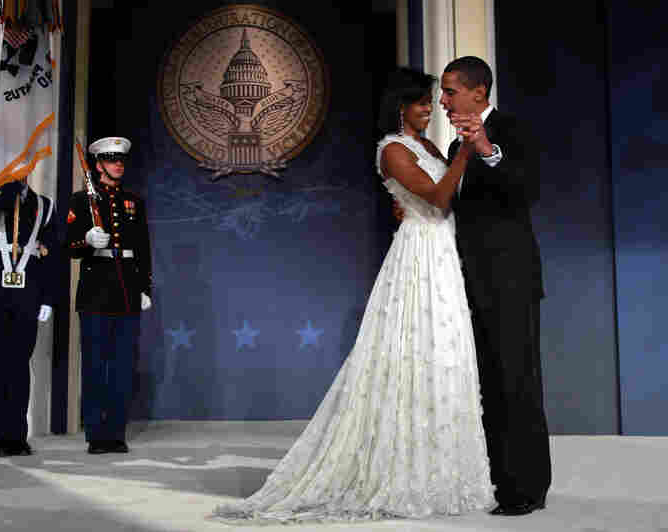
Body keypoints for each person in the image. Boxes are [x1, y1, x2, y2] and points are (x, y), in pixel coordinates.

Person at [212, 68, 494, 523]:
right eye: (422, 101)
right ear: (400, 106)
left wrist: (456, 160)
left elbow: (444, 199)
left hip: (443, 253)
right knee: (412, 353)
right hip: (418, 258)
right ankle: (396, 466)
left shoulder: (426, 147)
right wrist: (464, 152)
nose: (430, 108)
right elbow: (439, 199)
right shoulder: (394, 150)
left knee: (444, 353)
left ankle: (441, 466)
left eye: (431, 100)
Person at [438, 56, 551, 516]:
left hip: (510, 281)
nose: (443, 101)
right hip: (469, 282)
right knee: (488, 386)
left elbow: (527, 191)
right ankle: (501, 485)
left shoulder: (512, 130)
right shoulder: (453, 148)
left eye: (450, 92)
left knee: (516, 382)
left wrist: (488, 149)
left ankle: (527, 491)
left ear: (478, 93)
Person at [65, 136, 152, 454]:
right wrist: (86, 240)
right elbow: (69, 246)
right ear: (98, 164)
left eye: (121, 160)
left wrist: (145, 287)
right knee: (95, 365)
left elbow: (143, 248)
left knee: (122, 366)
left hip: (127, 291)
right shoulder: (80, 200)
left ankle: (116, 432)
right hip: (96, 293)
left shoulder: (133, 201)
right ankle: (96, 434)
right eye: (112, 160)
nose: (119, 165)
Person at [0, 176, 57, 457]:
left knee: (20, 366)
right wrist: (8, 191)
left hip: (27, 292)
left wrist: (48, 298)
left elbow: (51, 255)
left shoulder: (44, 206)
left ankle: (17, 436)